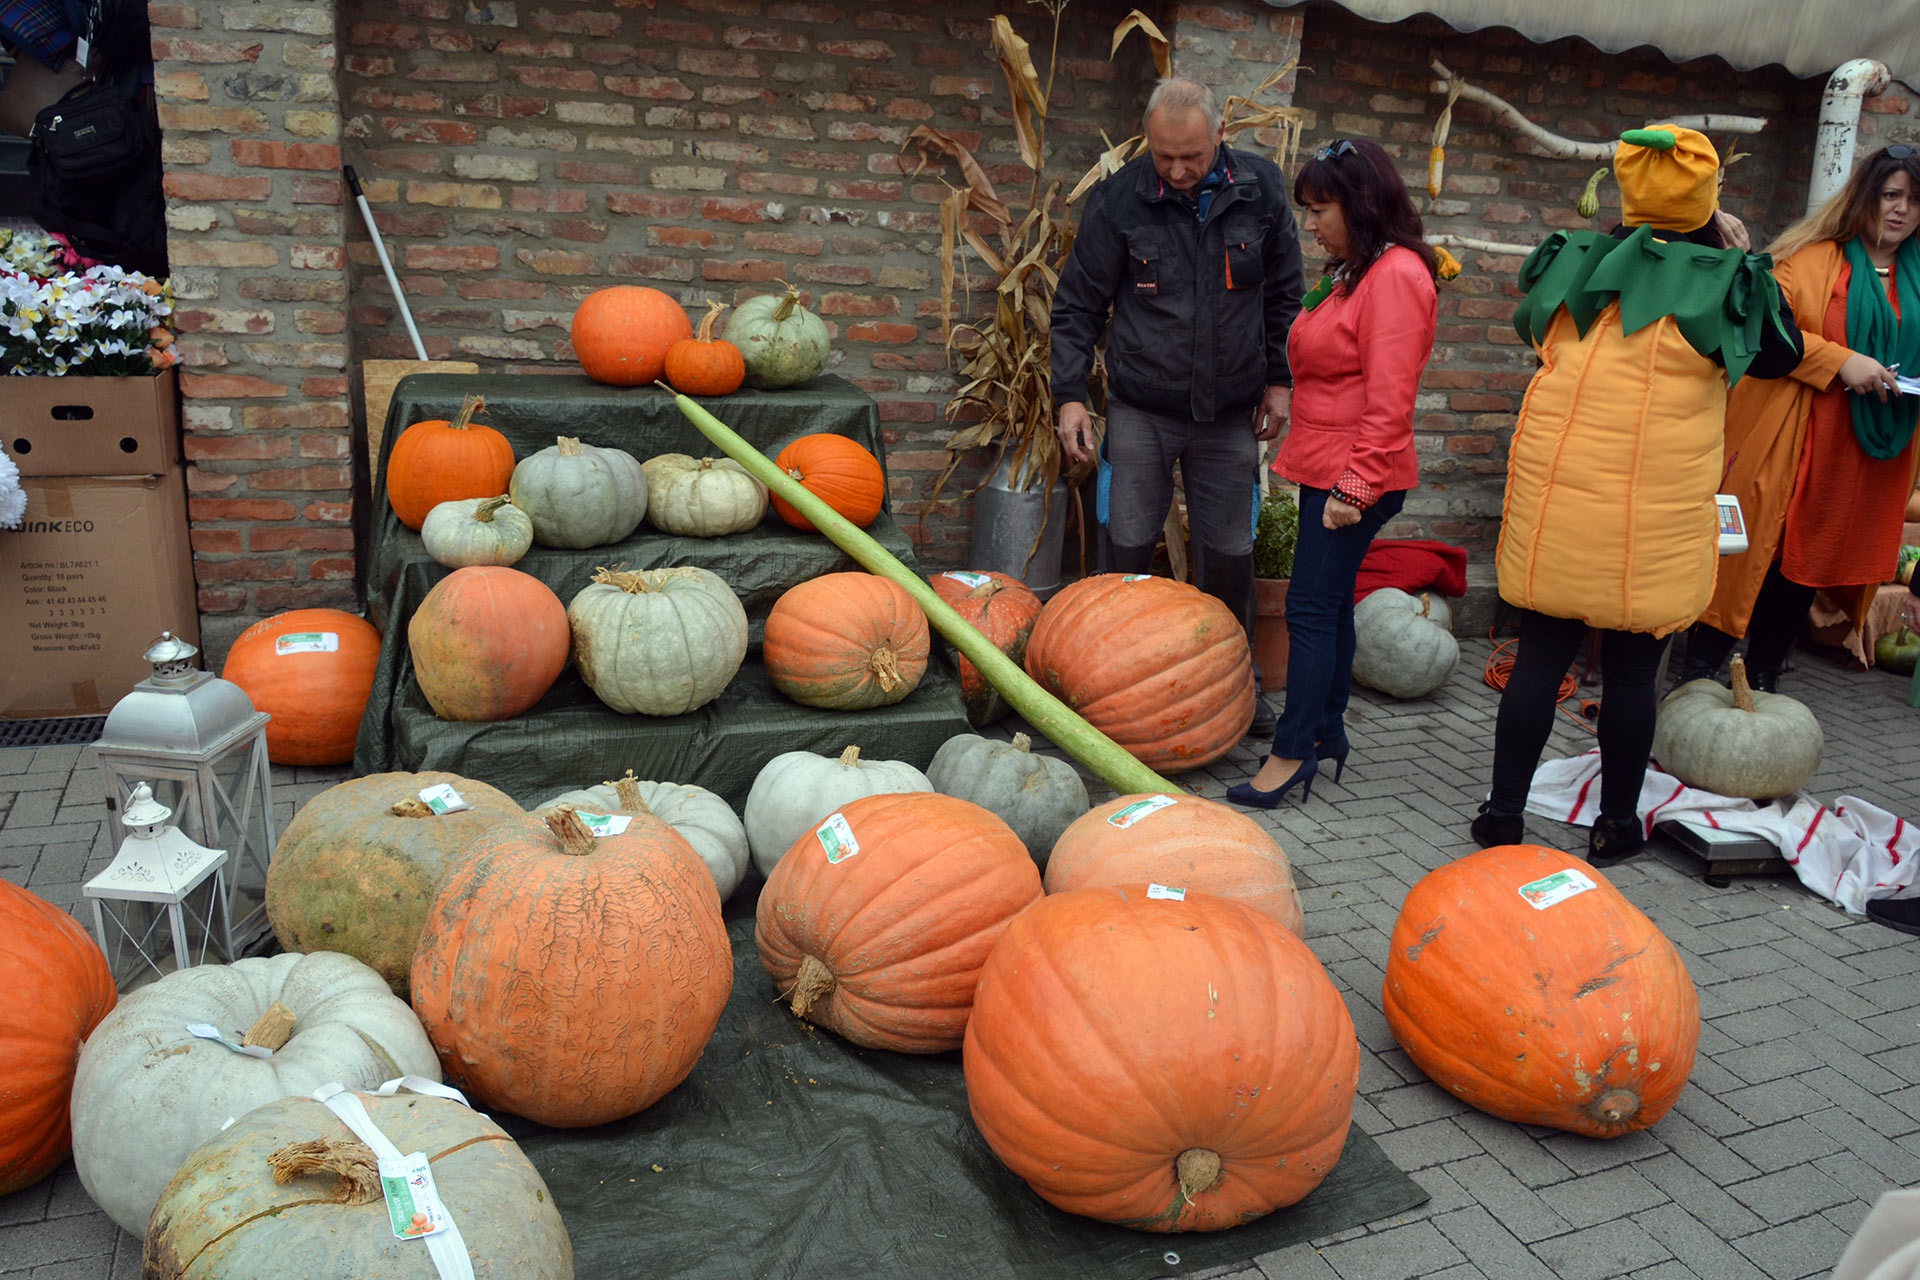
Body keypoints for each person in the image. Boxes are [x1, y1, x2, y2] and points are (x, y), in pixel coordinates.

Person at [1473, 125, 1805, 865]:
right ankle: (1615, 824)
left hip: (1557, 500)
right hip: (1654, 517)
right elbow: (1783, 356)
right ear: (1706, 197)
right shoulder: (1728, 280)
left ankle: (1502, 814)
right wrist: (1738, 254)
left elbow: (1532, 333)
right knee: (1630, 673)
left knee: (1539, 661)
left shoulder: (1573, 259)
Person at [1050, 77, 1304, 736]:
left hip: (1230, 413)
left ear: (1219, 134)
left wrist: (1280, 381)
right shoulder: (1119, 201)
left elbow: (1285, 295)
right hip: (1142, 408)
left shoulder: (1260, 189)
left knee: (1230, 555)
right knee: (1127, 550)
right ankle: (1110, 687)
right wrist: (1070, 396)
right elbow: (1077, 305)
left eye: (1191, 156)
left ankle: (1237, 686)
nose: (1178, 170)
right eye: (1164, 156)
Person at [1223, 138, 1439, 808]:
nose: (1310, 224)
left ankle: (1291, 754)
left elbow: (1391, 398)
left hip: (1356, 473)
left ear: (1360, 203)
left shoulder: (1395, 275)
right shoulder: (1360, 271)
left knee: (1310, 610)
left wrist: (1356, 486)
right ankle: (1324, 731)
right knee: (1331, 605)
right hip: (1334, 464)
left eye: (1320, 210)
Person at [1678, 145, 1920, 692]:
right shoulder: (1812, 259)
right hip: (1795, 431)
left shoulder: (1918, 277)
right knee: (1755, 550)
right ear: (1865, 198)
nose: (1902, 209)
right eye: (1891, 195)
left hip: (1864, 449)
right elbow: (1769, 328)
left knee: (1809, 559)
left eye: (1914, 199)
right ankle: (1698, 672)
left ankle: (1764, 675)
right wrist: (1841, 361)